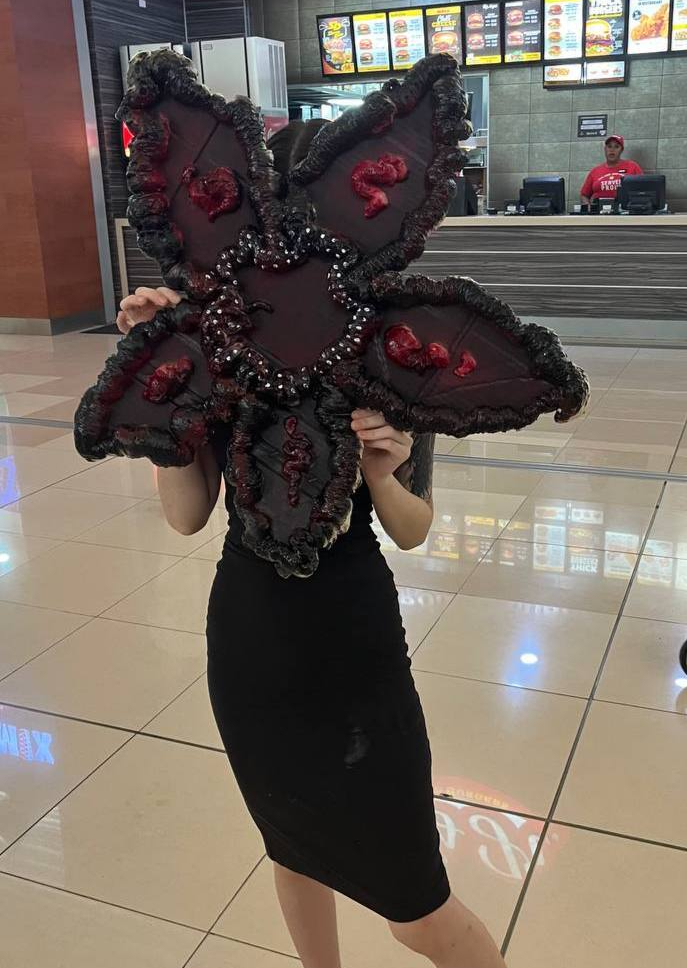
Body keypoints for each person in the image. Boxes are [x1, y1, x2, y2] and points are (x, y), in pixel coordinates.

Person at [116, 120, 507, 968]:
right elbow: (187, 514)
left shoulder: (391, 346)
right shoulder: (221, 343)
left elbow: (413, 526)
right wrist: (160, 388)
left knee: (416, 903)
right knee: (291, 848)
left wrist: (382, 472)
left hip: (355, 650)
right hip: (252, 645)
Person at [580, 133, 643, 207]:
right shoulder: (595, 171)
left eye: (616, 147)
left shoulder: (632, 167)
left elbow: (643, 190)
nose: (612, 150)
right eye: (609, 146)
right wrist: (588, 207)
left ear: (621, 150)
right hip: (599, 211)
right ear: (605, 149)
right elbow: (584, 195)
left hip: (625, 210)